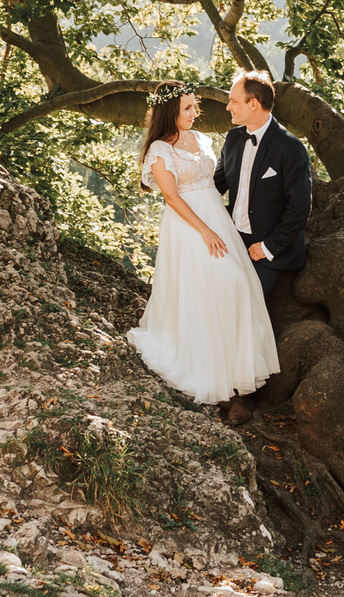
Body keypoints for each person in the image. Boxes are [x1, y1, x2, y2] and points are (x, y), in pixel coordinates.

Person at [125, 84, 279, 419]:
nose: (195, 113)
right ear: (170, 112)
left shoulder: (201, 139)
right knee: (226, 285)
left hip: (218, 222)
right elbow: (171, 197)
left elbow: (217, 181)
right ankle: (213, 372)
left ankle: (240, 378)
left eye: (195, 106)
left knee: (236, 287)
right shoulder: (159, 150)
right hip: (190, 228)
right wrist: (205, 230)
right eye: (188, 108)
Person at [214, 68, 313, 311]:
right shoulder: (233, 138)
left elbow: (300, 207)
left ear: (253, 104)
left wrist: (268, 247)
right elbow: (215, 185)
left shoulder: (290, 147)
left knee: (239, 306)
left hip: (269, 252)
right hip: (231, 241)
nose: (228, 107)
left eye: (234, 101)